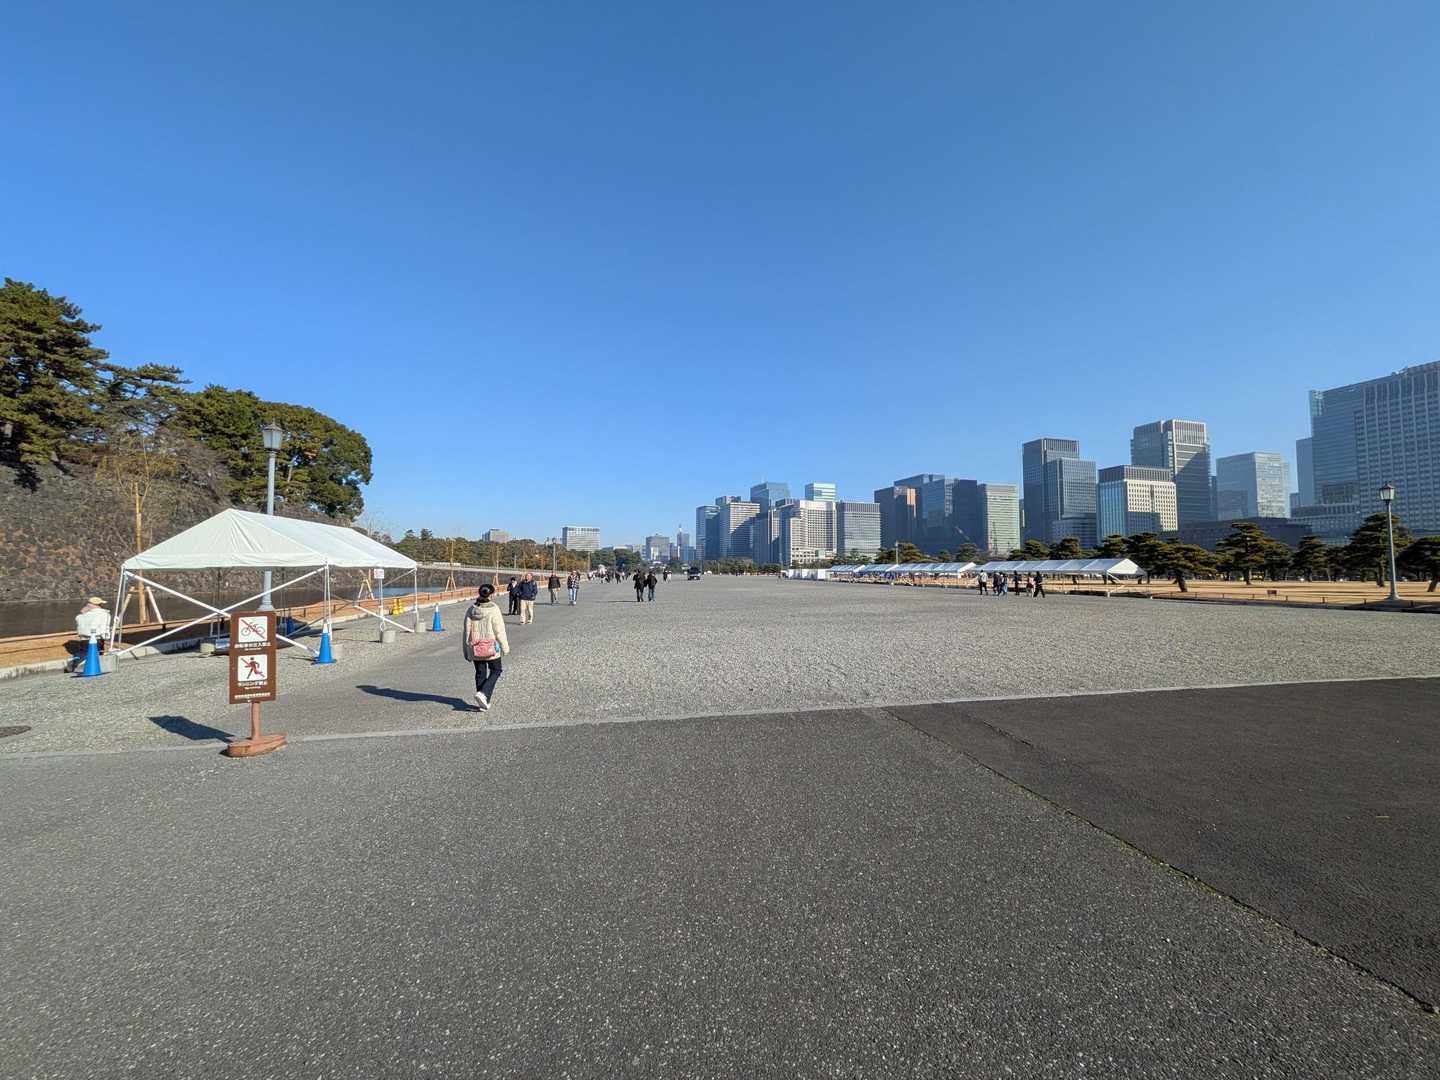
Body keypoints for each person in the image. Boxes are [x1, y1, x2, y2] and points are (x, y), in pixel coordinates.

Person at [462, 584, 509, 711]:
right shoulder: (494, 608)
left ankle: (482, 702)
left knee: (480, 673)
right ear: (491, 595)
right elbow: (499, 630)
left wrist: (466, 650)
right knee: (496, 670)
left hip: (475, 646)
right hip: (490, 647)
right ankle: (483, 694)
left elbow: (466, 631)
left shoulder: (471, 609)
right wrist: (505, 646)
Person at [71, 597, 111, 667]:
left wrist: (82, 612)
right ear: (98, 605)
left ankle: (77, 666)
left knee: (84, 654)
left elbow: (79, 622)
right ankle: (93, 668)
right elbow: (104, 627)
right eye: (101, 604)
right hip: (97, 638)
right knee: (96, 656)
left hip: (83, 639)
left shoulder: (82, 616)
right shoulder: (105, 614)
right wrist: (106, 637)